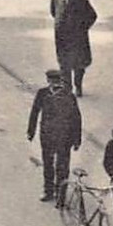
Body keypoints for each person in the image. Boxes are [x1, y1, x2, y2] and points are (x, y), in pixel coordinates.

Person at [27, 69, 83, 204]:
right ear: (48, 81)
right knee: (48, 164)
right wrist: (31, 130)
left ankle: (60, 194)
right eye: (52, 81)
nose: (54, 83)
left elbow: (76, 118)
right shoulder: (43, 93)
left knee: (62, 166)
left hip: (64, 137)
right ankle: (49, 191)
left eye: (56, 81)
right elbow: (35, 111)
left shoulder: (68, 95)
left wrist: (77, 139)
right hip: (48, 135)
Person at [50, 0, 98, 97]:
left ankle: (78, 85)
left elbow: (92, 15)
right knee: (64, 63)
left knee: (79, 64)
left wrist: (83, 28)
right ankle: (67, 87)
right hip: (61, 37)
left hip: (77, 38)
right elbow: (54, 13)